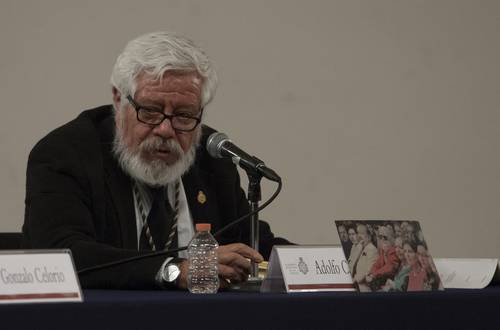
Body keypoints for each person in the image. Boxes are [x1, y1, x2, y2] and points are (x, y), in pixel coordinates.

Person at [22, 31, 289, 290]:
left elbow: (257, 246)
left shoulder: (211, 159)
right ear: (118, 99)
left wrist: (321, 264)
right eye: (150, 111)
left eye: (184, 115)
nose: (166, 129)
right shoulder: (66, 154)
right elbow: (64, 254)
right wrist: (174, 270)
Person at [350, 224, 378, 291]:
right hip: (355, 285)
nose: (359, 236)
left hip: (363, 288)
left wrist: (353, 280)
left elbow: (367, 271)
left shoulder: (372, 249)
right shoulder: (359, 247)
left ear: (369, 236)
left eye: (362, 233)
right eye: (358, 233)